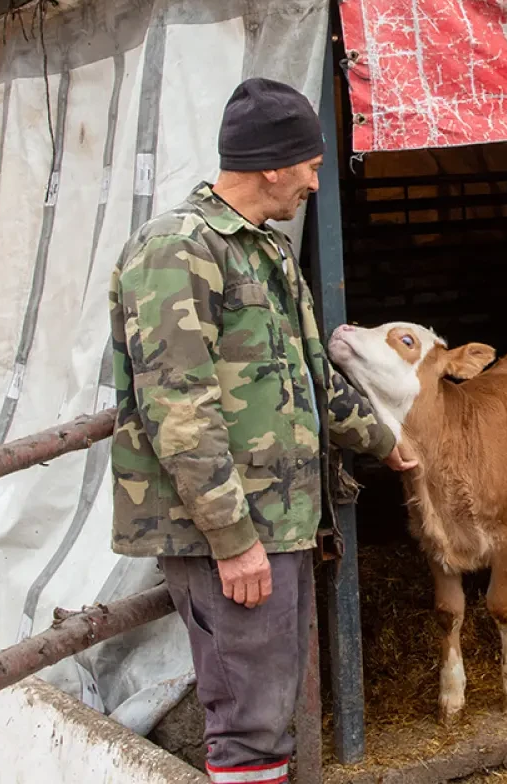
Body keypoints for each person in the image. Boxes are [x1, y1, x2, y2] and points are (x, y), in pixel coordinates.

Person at [108, 77, 416, 784]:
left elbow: (307, 375)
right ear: (274, 164)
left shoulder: (265, 251)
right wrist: (233, 540)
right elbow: (179, 412)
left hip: (281, 519)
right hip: (235, 532)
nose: (315, 180)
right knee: (247, 722)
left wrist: (382, 438)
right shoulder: (178, 251)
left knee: (270, 706)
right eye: (309, 163)